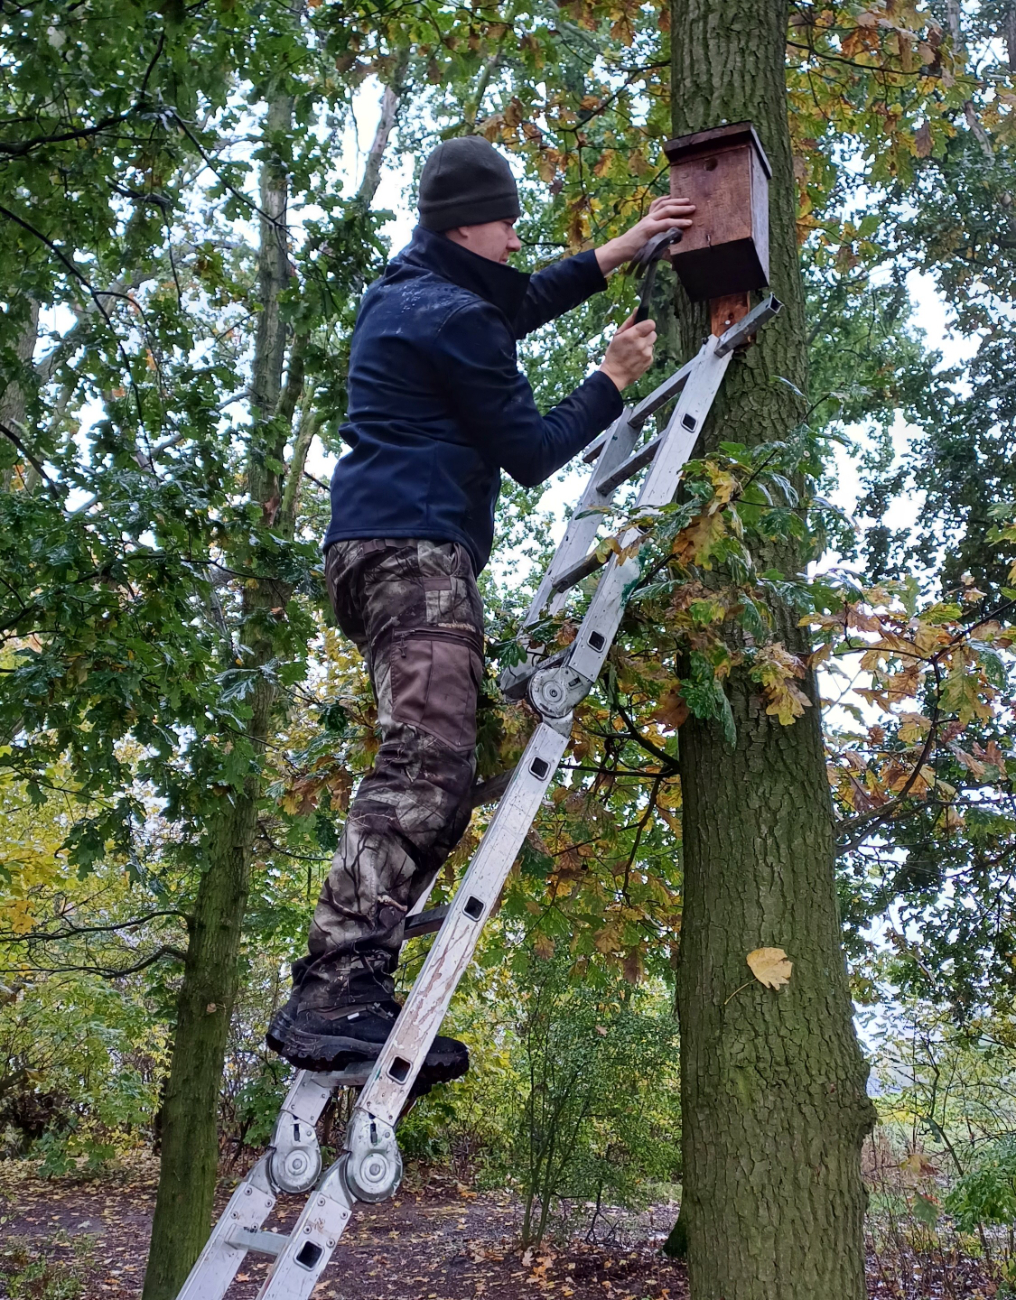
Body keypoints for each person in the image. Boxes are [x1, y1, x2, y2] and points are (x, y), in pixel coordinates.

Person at [268, 135, 694, 1083]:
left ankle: (356, 984)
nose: (516, 239)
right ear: (474, 221)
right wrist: (616, 375)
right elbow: (535, 450)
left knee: (443, 768)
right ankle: (334, 990)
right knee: (426, 763)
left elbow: (512, 303)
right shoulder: (453, 315)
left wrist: (617, 251)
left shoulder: (412, 291)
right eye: (507, 222)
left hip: (376, 548)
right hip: (417, 551)